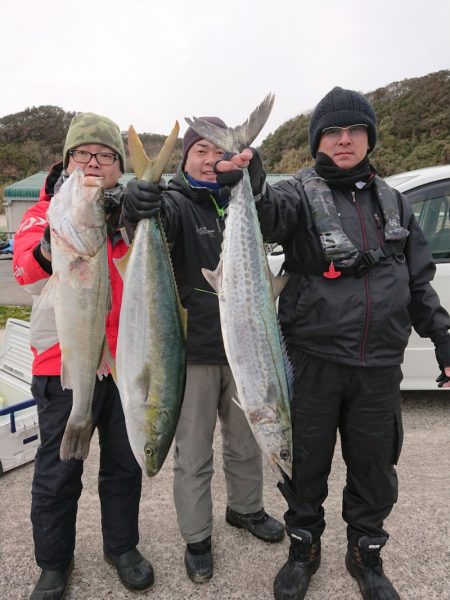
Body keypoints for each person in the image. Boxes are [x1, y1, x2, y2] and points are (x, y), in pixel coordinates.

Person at [211, 87, 450, 600]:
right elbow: (268, 212)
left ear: (368, 138)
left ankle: (366, 554)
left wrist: (442, 336)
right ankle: (304, 549)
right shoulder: (298, 191)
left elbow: (418, 281)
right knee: (305, 465)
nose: (345, 140)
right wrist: (250, 180)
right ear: (319, 139)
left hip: (379, 366)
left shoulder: (395, 202)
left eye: (354, 130)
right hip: (312, 362)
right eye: (333, 131)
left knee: (374, 469)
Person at [122, 117, 285, 584]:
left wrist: (252, 177)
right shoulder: (173, 203)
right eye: (201, 152)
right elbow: (150, 220)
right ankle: (197, 537)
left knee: (247, 441)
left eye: (219, 152)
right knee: (192, 453)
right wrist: (138, 206)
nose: (211, 160)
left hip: (246, 353)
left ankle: (246, 508)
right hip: (190, 357)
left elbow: (274, 211)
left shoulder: (239, 202)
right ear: (185, 158)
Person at [13, 113, 154, 600]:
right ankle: (54, 563)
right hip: (62, 364)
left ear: (119, 166)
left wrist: (136, 216)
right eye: (83, 154)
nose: (94, 162)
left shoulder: (133, 213)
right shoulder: (48, 210)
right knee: (57, 474)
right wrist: (59, 243)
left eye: (106, 156)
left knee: (124, 465)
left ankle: (123, 546)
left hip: (123, 363)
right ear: (68, 160)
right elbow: (27, 274)